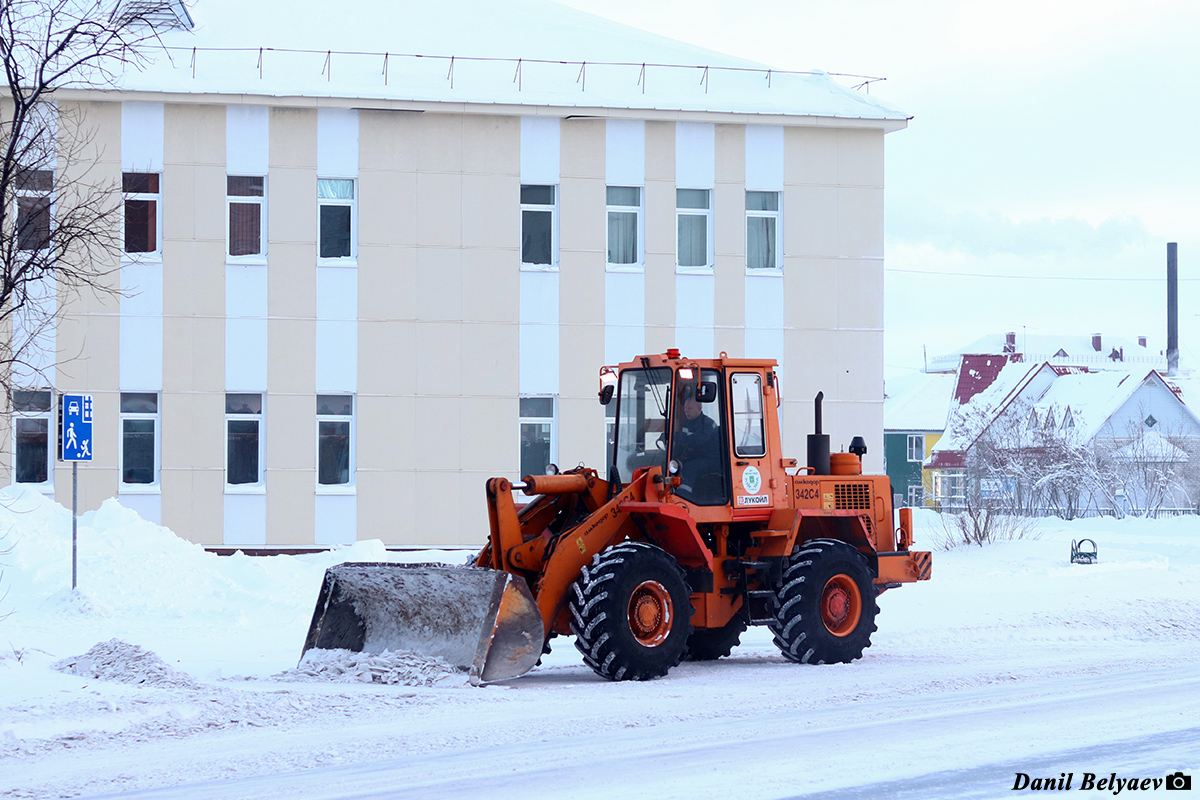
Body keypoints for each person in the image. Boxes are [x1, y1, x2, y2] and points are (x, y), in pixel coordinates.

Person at [673, 384, 722, 501]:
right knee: (674, 464)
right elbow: (679, 437)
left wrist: (679, 438)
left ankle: (683, 498)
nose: (686, 411)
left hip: (713, 459)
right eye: (685, 408)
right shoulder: (686, 423)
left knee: (690, 467)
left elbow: (697, 441)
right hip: (697, 456)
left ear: (699, 409)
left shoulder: (708, 424)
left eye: (689, 408)